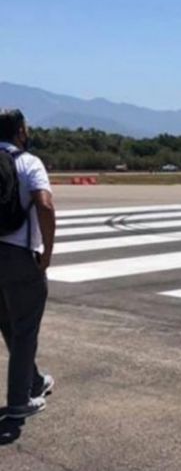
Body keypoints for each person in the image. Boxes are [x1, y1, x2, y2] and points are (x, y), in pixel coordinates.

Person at [0, 109, 56, 419]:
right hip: (18, 255)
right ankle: (20, 400)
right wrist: (46, 254)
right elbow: (45, 206)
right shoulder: (28, 162)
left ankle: (33, 380)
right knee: (24, 330)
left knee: (10, 325)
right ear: (20, 131)